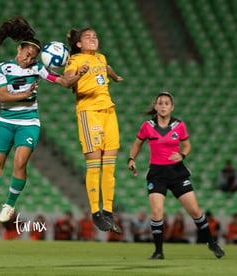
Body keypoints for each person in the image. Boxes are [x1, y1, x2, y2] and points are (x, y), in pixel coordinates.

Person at [0, 16, 88, 223]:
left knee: (20, 162)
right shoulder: (2, 68)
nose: (28, 61)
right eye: (26, 55)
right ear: (19, 49)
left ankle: (8, 206)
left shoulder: (38, 69)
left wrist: (78, 74)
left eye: (32, 58)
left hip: (28, 123)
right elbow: (2, 96)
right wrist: (24, 95)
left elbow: (63, 81)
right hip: (6, 122)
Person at [127, 92, 224, 259]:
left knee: (195, 211)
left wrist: (183, 155)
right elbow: (137, 144)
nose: (163, 105)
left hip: (177, 172)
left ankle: (212, 243)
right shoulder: (147, 126)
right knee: (157, 212)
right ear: (156, 106)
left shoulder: (179, 125)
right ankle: (158, 252)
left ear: (171, 107)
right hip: (157, 174)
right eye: (160, 103)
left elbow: (187, 145)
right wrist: (131, 159)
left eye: (167, 103)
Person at [64, 28, 123, 234]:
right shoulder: (75, 60)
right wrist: (78, 75)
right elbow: (67, 80)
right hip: (90, 113)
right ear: (79, 44)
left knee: (110, 165)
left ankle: (108, 211)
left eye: (95, 36)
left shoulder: (100, 57)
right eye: (88, 37)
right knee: (94, 164)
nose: (93, 39)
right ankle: (95, 212)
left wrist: (115, 77)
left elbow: (106, 67)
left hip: (109, 111)